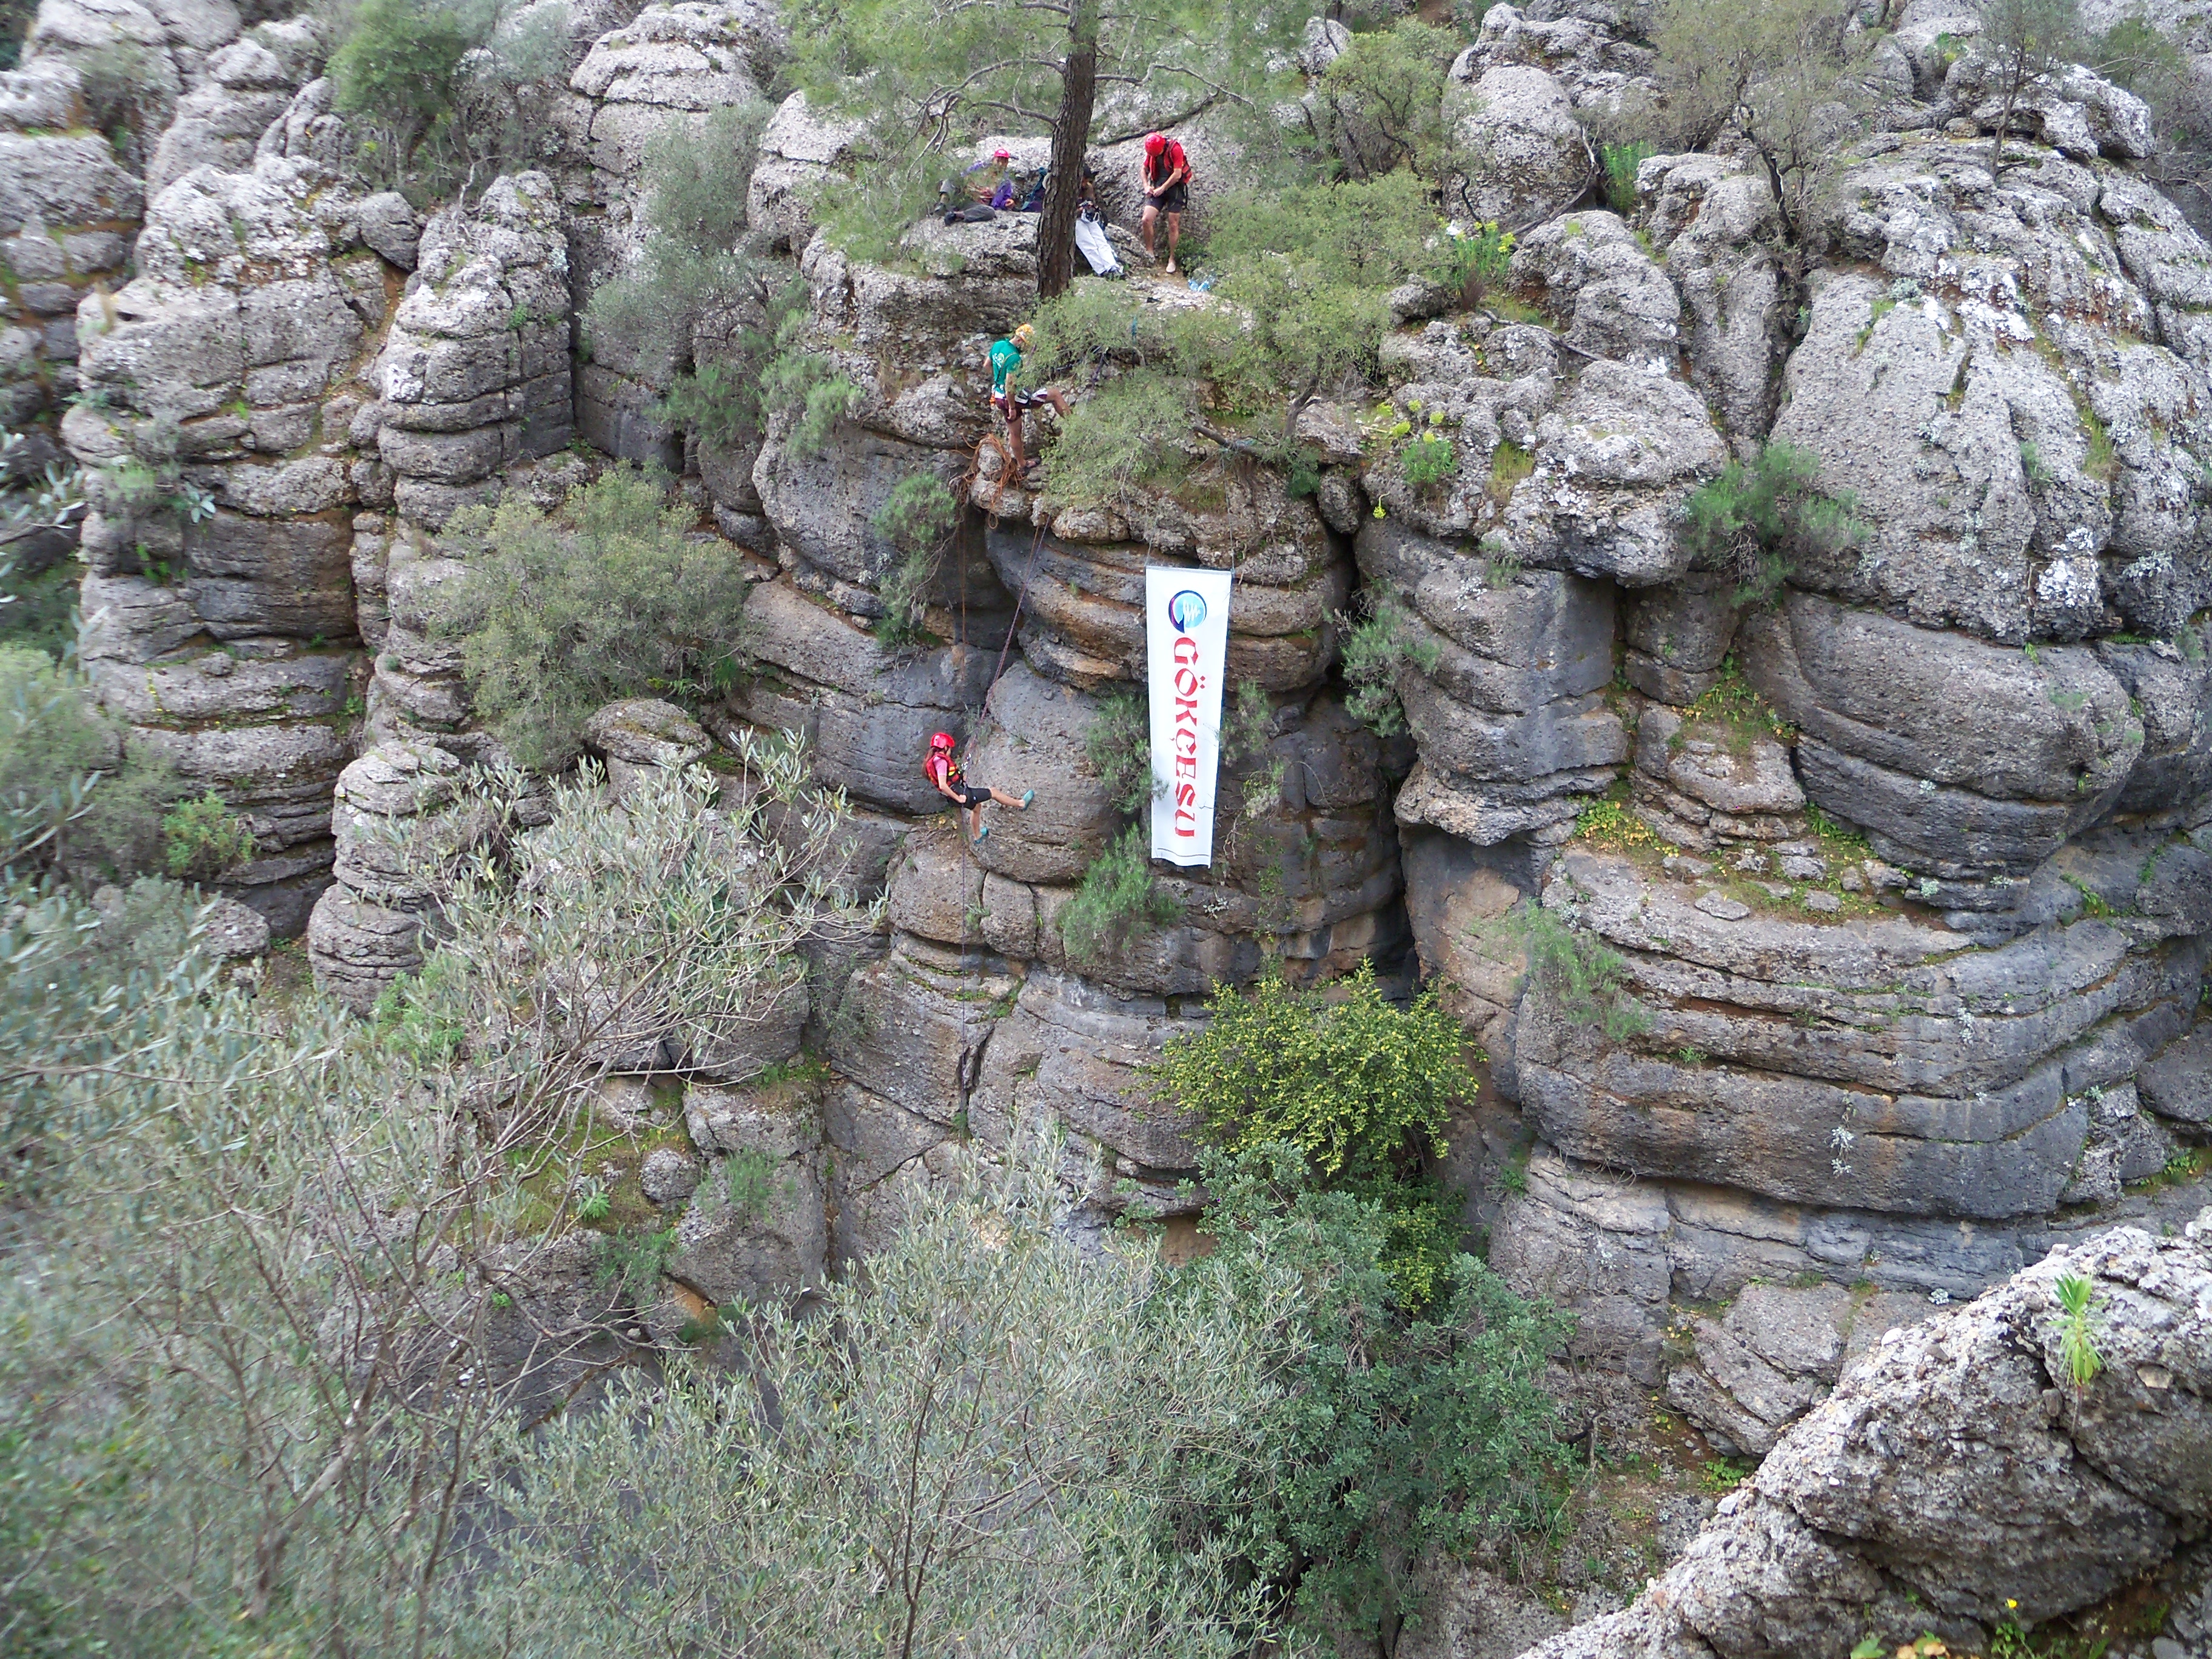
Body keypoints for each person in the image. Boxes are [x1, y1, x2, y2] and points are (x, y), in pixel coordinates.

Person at [987, 323, 1071, 480]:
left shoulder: (998, 345)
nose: (1027, 349)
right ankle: (1075, 426)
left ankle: (1022, 464)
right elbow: (1010, 386)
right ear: (1020, 341)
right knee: (1055, 395)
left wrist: (998, 382)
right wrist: (1012, 406)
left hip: (998, 396)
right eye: (1026, 346)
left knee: (1015, 432)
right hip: (1011, 398)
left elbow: (987, 365)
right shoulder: (1014, 359)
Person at [925, 731, 1032, 843]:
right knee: (993, 792)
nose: (951, 752)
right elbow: (943, 785)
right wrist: (959, 798)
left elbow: (948, 779)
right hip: (960, 794)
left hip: (955, 794)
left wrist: (960, 778)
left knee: (976, 808)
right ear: (945, 747)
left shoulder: (934, 760)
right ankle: (1021, 804)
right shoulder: (941, 761)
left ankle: (978, 836)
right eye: (950, 749)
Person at [1139, 131, 1189, 275]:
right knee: (1146, 220)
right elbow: (1144, 169)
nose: (1155, 156)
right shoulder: (1152, 151)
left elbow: (1177, 174)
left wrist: (1163, 188)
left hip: (1175, 188)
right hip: (1158, 187)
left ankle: (1172, 259)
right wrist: (1146, 186)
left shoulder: (1175, 148)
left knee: (1173, 224)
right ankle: (1150, 252)